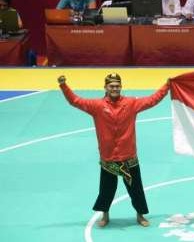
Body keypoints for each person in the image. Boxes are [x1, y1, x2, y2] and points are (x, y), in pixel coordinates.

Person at [58, 73, 169, 227]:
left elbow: (152, 100)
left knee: (136, 189)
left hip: (129, 156)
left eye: (117, 86)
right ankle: (105, 215)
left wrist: (167, 86)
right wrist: (64, 86)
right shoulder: (96, 106)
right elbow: (75, 101)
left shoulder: (131, 103)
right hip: (108, 158)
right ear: (105, 88)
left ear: (121, 87)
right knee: (106, 190)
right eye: (111, 86)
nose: (114, 88)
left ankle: (140, 215)